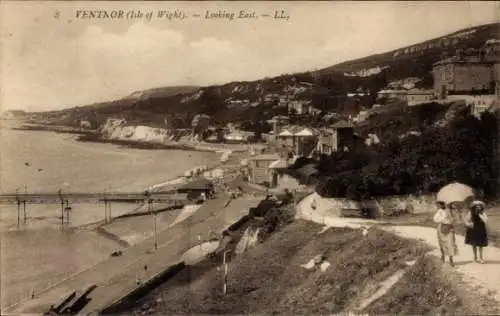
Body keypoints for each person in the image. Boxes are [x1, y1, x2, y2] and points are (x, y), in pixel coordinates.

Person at [433, 201, 459, 267]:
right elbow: (435, 219)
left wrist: (455, 212)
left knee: (451, 243)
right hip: (441, 228)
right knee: (442, 243)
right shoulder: (441, 211)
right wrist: (443, 219)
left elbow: (457, 220)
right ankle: (443, 256)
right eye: (446, 204)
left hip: (450, 228)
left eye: (449, 204)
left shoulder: (453, 211)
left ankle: (451, 259)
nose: (447, 205)